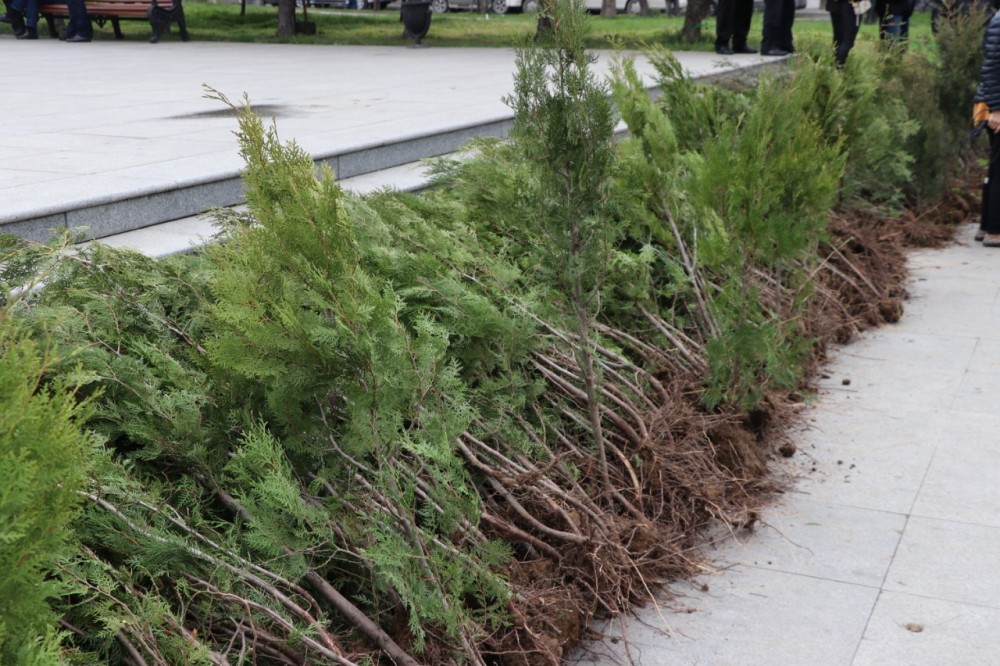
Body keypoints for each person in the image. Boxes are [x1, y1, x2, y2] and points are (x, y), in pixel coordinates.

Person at [974, 5, 1000, 246]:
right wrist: (996, 109)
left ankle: (986, 226)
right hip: (996, 105)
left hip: (993, 102)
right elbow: (992, 68)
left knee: (995, 168)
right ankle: (995, 230)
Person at [824, 0, 869, 66]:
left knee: (838, 39)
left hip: (834, 4)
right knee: (847, 40)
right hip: (852, 5)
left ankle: (835, 66)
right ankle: (839, 67)